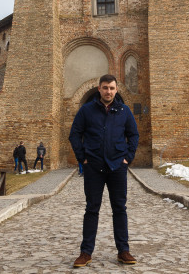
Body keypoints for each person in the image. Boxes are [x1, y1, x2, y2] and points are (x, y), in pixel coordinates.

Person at [69, 74, 139, 268]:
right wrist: (82, 158)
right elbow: (75, 134)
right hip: (94, 166)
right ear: (99, 88)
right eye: (105, 87)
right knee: (92, 209)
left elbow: (133, 134)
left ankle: (123, 250)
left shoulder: (124, 111)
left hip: (117, 166)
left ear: (116, 90)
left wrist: (127, 158)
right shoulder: (86, 110)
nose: (109, 91)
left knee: (120, 208)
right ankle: (86, 252)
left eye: (112, 88)